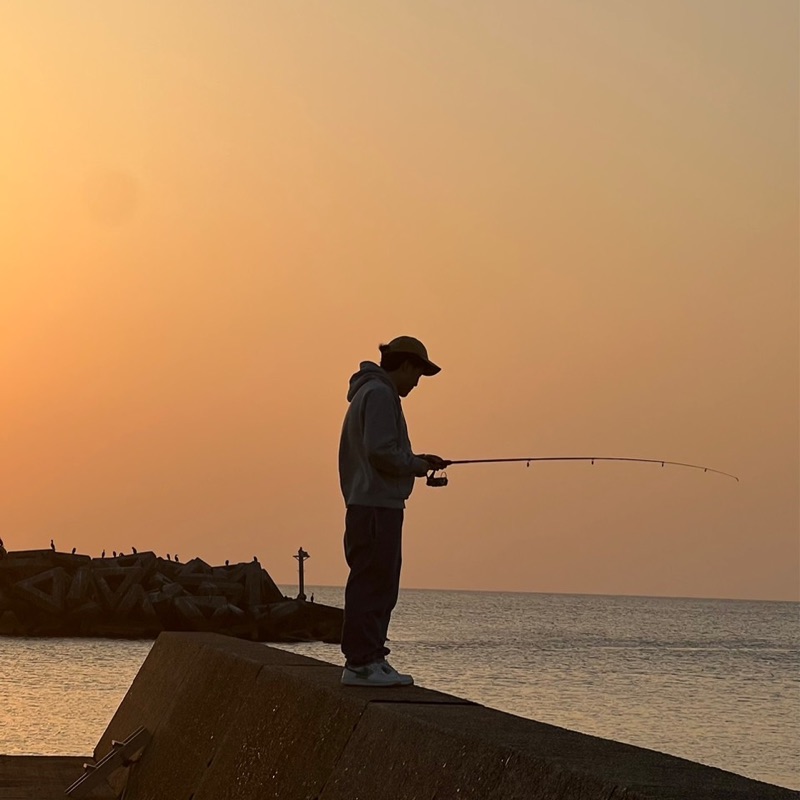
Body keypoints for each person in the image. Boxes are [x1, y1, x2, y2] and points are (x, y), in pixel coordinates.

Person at [338, 336, 448, 687]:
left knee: (377, 583)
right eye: (418, 374)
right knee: (374, 583)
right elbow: (380, 452)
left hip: (371, 503)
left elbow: (381, 450)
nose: (417, 383)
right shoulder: (381, 395)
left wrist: (417, 461)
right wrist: (415, 466)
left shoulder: (368, 393)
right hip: (375, 506)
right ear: (405, 366)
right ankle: (361, 664)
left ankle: (370, 658)